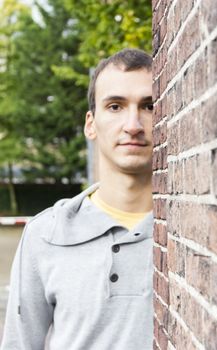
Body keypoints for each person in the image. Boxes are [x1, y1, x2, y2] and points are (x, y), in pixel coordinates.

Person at [1, 48, 153, 350]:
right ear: (90, 124)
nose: (133, 125)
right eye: (114, 106)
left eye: (149, 106)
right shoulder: (44, 234)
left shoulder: (199, 234)